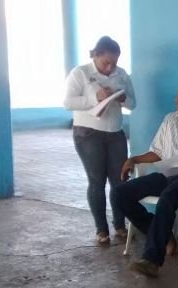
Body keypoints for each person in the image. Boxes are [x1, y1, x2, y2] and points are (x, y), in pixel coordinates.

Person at [110, 80, 178, 277]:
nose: (177, 99)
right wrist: (134, 159)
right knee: (119, 193)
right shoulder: (170, 120)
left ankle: (151, 259)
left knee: (168, 197)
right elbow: (157, 152)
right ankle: (164, 235)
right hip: (168, 174)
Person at [64, 36, 136, 245]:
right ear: (95, 55)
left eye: (114, 62)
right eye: (106, 62)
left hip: (115, 132)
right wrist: (95, 97)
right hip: (88, 133)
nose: (110, 67)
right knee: (97, 181)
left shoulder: (121, 74)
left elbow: (133, 103)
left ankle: (120, 225)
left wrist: (122, 98)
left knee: (120, 180)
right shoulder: (80, 73)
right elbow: (68, 103)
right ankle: (101, 229)